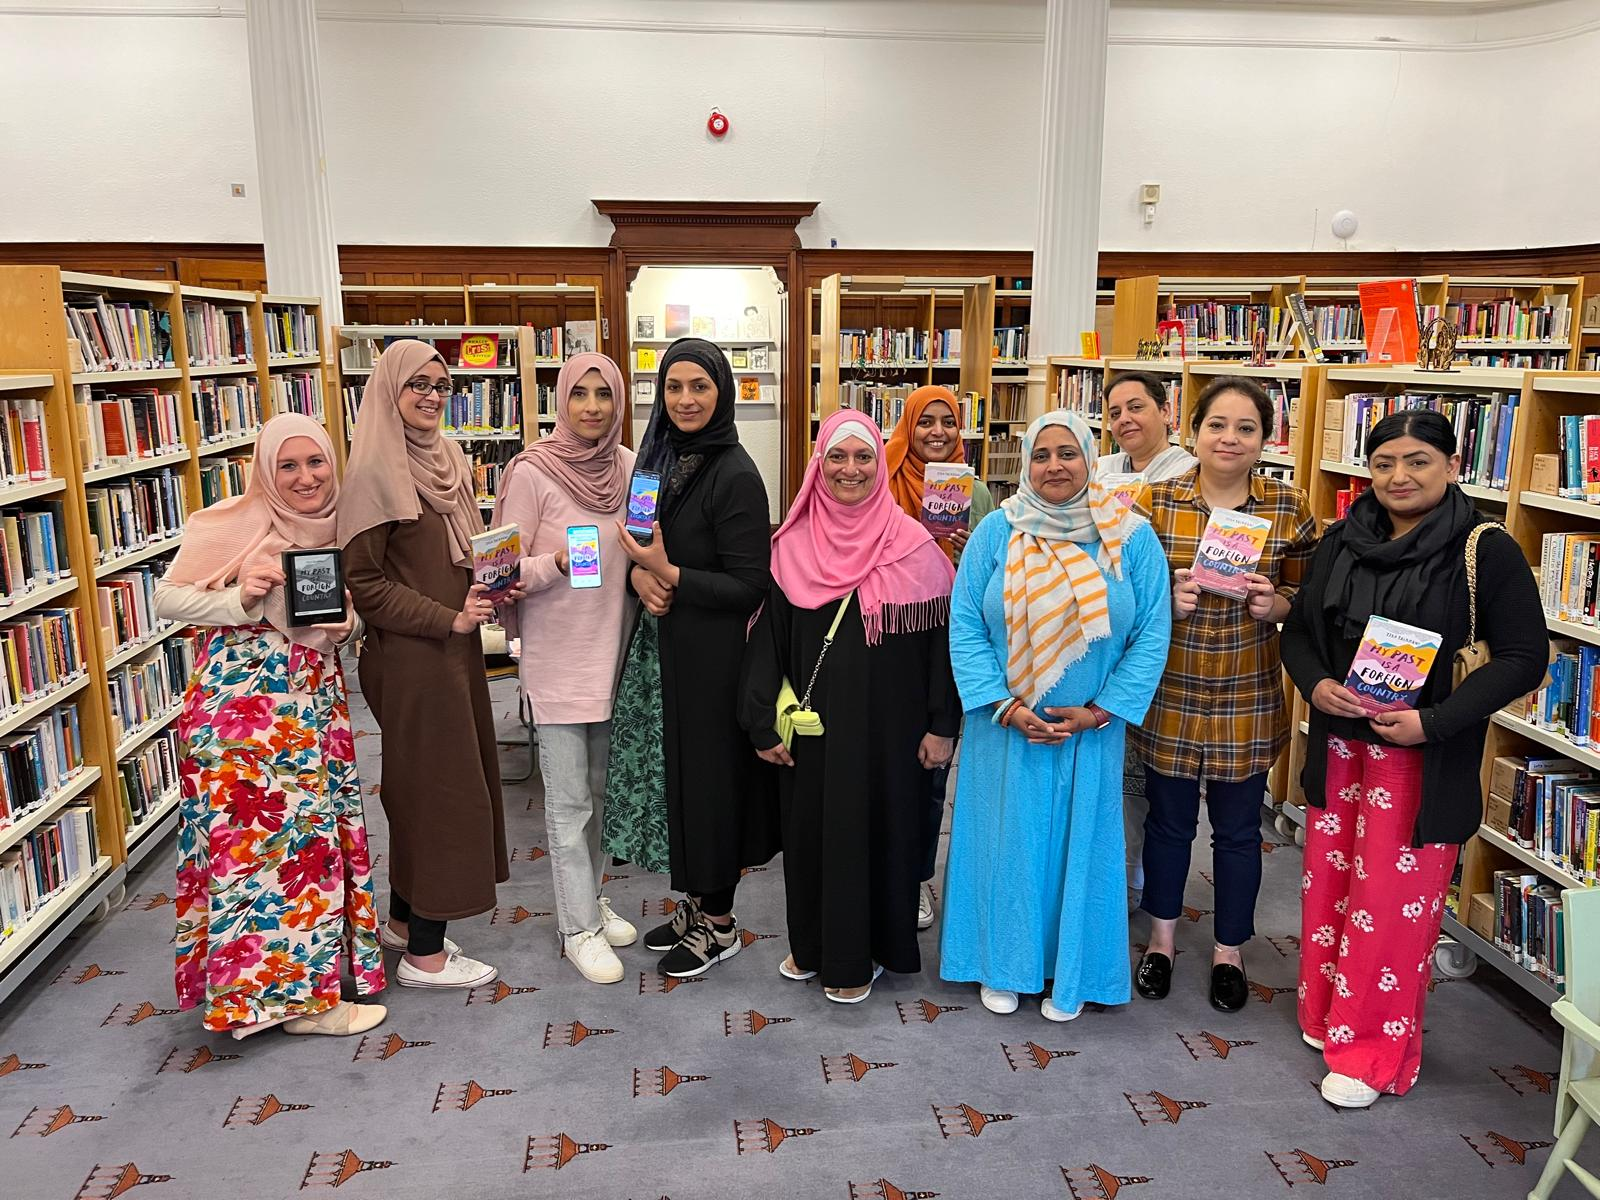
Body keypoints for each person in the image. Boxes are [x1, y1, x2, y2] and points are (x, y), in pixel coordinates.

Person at [1280, 410, 1546, 1108]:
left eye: (1418, 461)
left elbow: (1524, 657)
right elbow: (1300, 633)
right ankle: (1328, 1013)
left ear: (1452, 466)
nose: (1399, 476)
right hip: (1340, 747)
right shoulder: (1343, 538)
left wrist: (1433, 722)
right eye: (1385, 462)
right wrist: (1318, 686)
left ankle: (1370, 1051)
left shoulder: (1485, 548)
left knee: (1392, 908)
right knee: (1333, 891)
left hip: (1419, 759)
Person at [940, 411, 1172, 1020]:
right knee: (1004, 842)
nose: (1054, 466)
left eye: (1068, 453)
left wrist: (1102, 711)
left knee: (1081, 845)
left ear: (1091, 460)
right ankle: (1002, 963)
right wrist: (1003, 705)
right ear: (1024, 463)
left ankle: (1072, 970)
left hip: (1089, 731)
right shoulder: (997, 531)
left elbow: (1152, 632)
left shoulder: (1130, 536)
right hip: (1003, 726)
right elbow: (964, 623)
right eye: (1041, 454)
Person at [164, 414, 386, 1038]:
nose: (305, 478)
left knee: (307, 851)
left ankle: (287, 994)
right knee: (260, 855)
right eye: (287, 466)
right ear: (264, 469)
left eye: (315, 462)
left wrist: (351, 626)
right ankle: (291, 1005)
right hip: (244, 712)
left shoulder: (341, 524)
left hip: (310, 699)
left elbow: (350, 612)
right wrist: (237, 596)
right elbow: (169, 599)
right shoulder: (234, 521)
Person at [741, 411, 959, 1003]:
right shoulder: (790, 546)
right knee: (813, 837)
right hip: (814, 732)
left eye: (864, 456)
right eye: (837, 457)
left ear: (879, 464)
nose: (850, 469)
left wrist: (944, 725)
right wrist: (762, 721)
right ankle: (813, 946)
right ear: (818, 464)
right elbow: (768, 644)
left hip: (892, 735)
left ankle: (865, 955)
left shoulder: (914, 546)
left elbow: (944, 645)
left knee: (881, 835)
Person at [1131, 375, 1317, 1013]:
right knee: (1169, 824)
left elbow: (1310, 597)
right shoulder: (1152, 504)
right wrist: (1164, 605)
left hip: (1246, 695)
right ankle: (1160, 942)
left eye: (1246, 428)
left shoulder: (1287, 507)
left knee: (1240, 832)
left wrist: (1279, 605)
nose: (1230, 438)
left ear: (1266, 438)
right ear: (1193, 431)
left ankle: (1230, 951)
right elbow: (1119, 599)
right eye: (1218, 425)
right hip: (1172, 694)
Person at [339, 339, 514, 990]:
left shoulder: (446, 458)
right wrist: (447, 617)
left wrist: (494, 582)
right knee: (440, 791)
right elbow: (365, 585)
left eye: (442, 385)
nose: (432, 397)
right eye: (418, 385)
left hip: (455, 643)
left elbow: (458, 550)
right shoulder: (372, 473)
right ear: (389, 390)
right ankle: (427, 957)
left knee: (427, 783)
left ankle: (408, 921)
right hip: (413, 655)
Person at [608, 338, 778, 978]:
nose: (685, 399)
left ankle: (721, 924)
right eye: (673, 386)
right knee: (678, 781)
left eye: (699, 387)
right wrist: (639, 577)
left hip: (712, 661)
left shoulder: (735, 473)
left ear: (721, 393)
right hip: (661, 653)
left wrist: (670, 573)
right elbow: (637, 543)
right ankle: (695, 903)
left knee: (712, 788)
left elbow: (750, 585)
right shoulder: (652, 461)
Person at [494, 352, 639, 985]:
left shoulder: (631, 468)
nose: (591, 407)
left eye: (603, 394)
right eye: (578, 394)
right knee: (569, 803)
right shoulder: (532, 471)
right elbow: (497, 571)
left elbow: (639, 551)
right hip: (558, 661)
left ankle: (592, 901)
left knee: (605, 798)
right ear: (561, 398)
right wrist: (551, 563)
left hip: (615, 656)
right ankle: (576, 928)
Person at [883, 385, 996, 931]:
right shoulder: (882, 479)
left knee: (934, 768)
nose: (937, 433)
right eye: (925, 421)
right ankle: (880, 865)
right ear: (908, 425)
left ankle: (918, 875)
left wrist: (971, 549)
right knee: (886, 766)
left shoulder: (976, 495)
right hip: (895, 639)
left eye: (947, 423)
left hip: (953, 641)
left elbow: (997, 571)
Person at [1097, 372, 1198, 912]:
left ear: (1166, 410)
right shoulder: (1106, 470)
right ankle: (1115, 863)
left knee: (1153, 775)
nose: (1124, 421)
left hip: (1168, 639)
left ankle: (1137, 875)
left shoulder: (1187, 473)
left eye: (1136, 407)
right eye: (1114, 412)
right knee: (1115, 765)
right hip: (1105, 633)